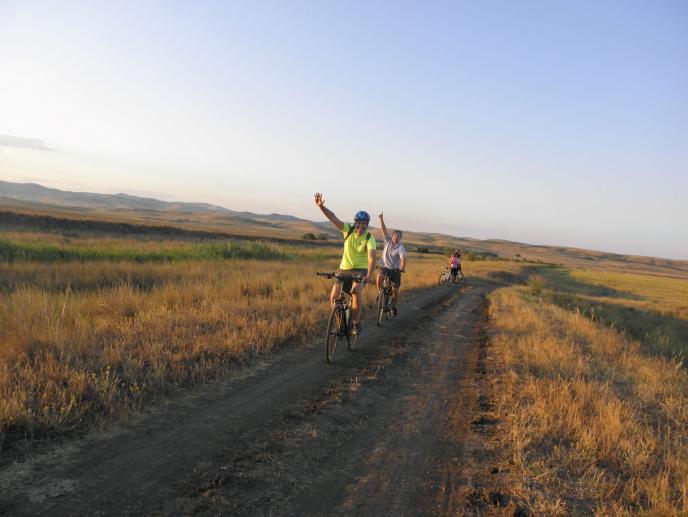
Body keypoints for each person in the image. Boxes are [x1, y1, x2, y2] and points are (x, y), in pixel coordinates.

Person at [314, 192, 377, 336]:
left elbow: (372, 258)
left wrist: (369, 275)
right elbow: (333, 218)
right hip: (343, 269)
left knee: (355, 291)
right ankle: (340, 324)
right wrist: (321, 207)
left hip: (360, 270)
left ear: (367, 225)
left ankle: (356, 323)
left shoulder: (369, 237)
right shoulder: (347, 229)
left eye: (364, 223)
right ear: (354, 223)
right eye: (358, 223)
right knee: (334, 298)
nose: (360, 226)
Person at [376, 211, 407, 316]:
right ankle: (380, 293)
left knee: (395, 290)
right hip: (385, 267)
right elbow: (384, 230)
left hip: (395, 270)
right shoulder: (388, 241)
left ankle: (393, 306)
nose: (396, 237)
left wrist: (402, 268)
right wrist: (381, 219)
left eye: (398, 236)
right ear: (392, 236)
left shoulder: (401, 247)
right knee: (379, 278)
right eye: (395, 235)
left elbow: (403, 259)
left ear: (400, 238)